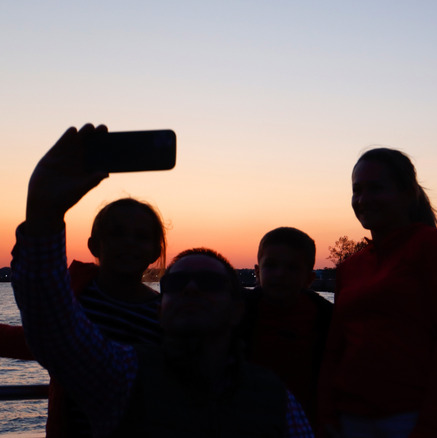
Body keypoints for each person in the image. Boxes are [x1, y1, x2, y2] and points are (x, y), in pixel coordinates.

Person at [12, 124, 312, 437]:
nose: (192, 288)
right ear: (160, 308)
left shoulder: (275, 397)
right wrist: (43, 212)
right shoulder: (122, 377)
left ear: (237, 311)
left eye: (209, 283)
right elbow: (53, 324)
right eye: (177, 284)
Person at [317, 148, 437, 438]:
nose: (363, 200)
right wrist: (326, 411)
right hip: (351, 418)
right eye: (357, 190)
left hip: (413, 418)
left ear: (406, 194)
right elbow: (335, 346)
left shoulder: (431, 247)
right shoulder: (352, 265)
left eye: (376, 188)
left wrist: (429, 424)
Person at [1, 196, 166, 437]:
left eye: (141, 237)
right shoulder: (74, 295)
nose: (129, 243)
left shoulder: (165, 312)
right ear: (94, 245)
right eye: (117, 233)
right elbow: (43, 340)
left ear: (154, 251)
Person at [240, 227, 333, 427]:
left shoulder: (326, 317)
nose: (280, 274)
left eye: (292, 268)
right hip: (248, 419)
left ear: (309, 279)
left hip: (307, 422)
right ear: (257, 272)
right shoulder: (237, 312)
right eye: (271, 266)